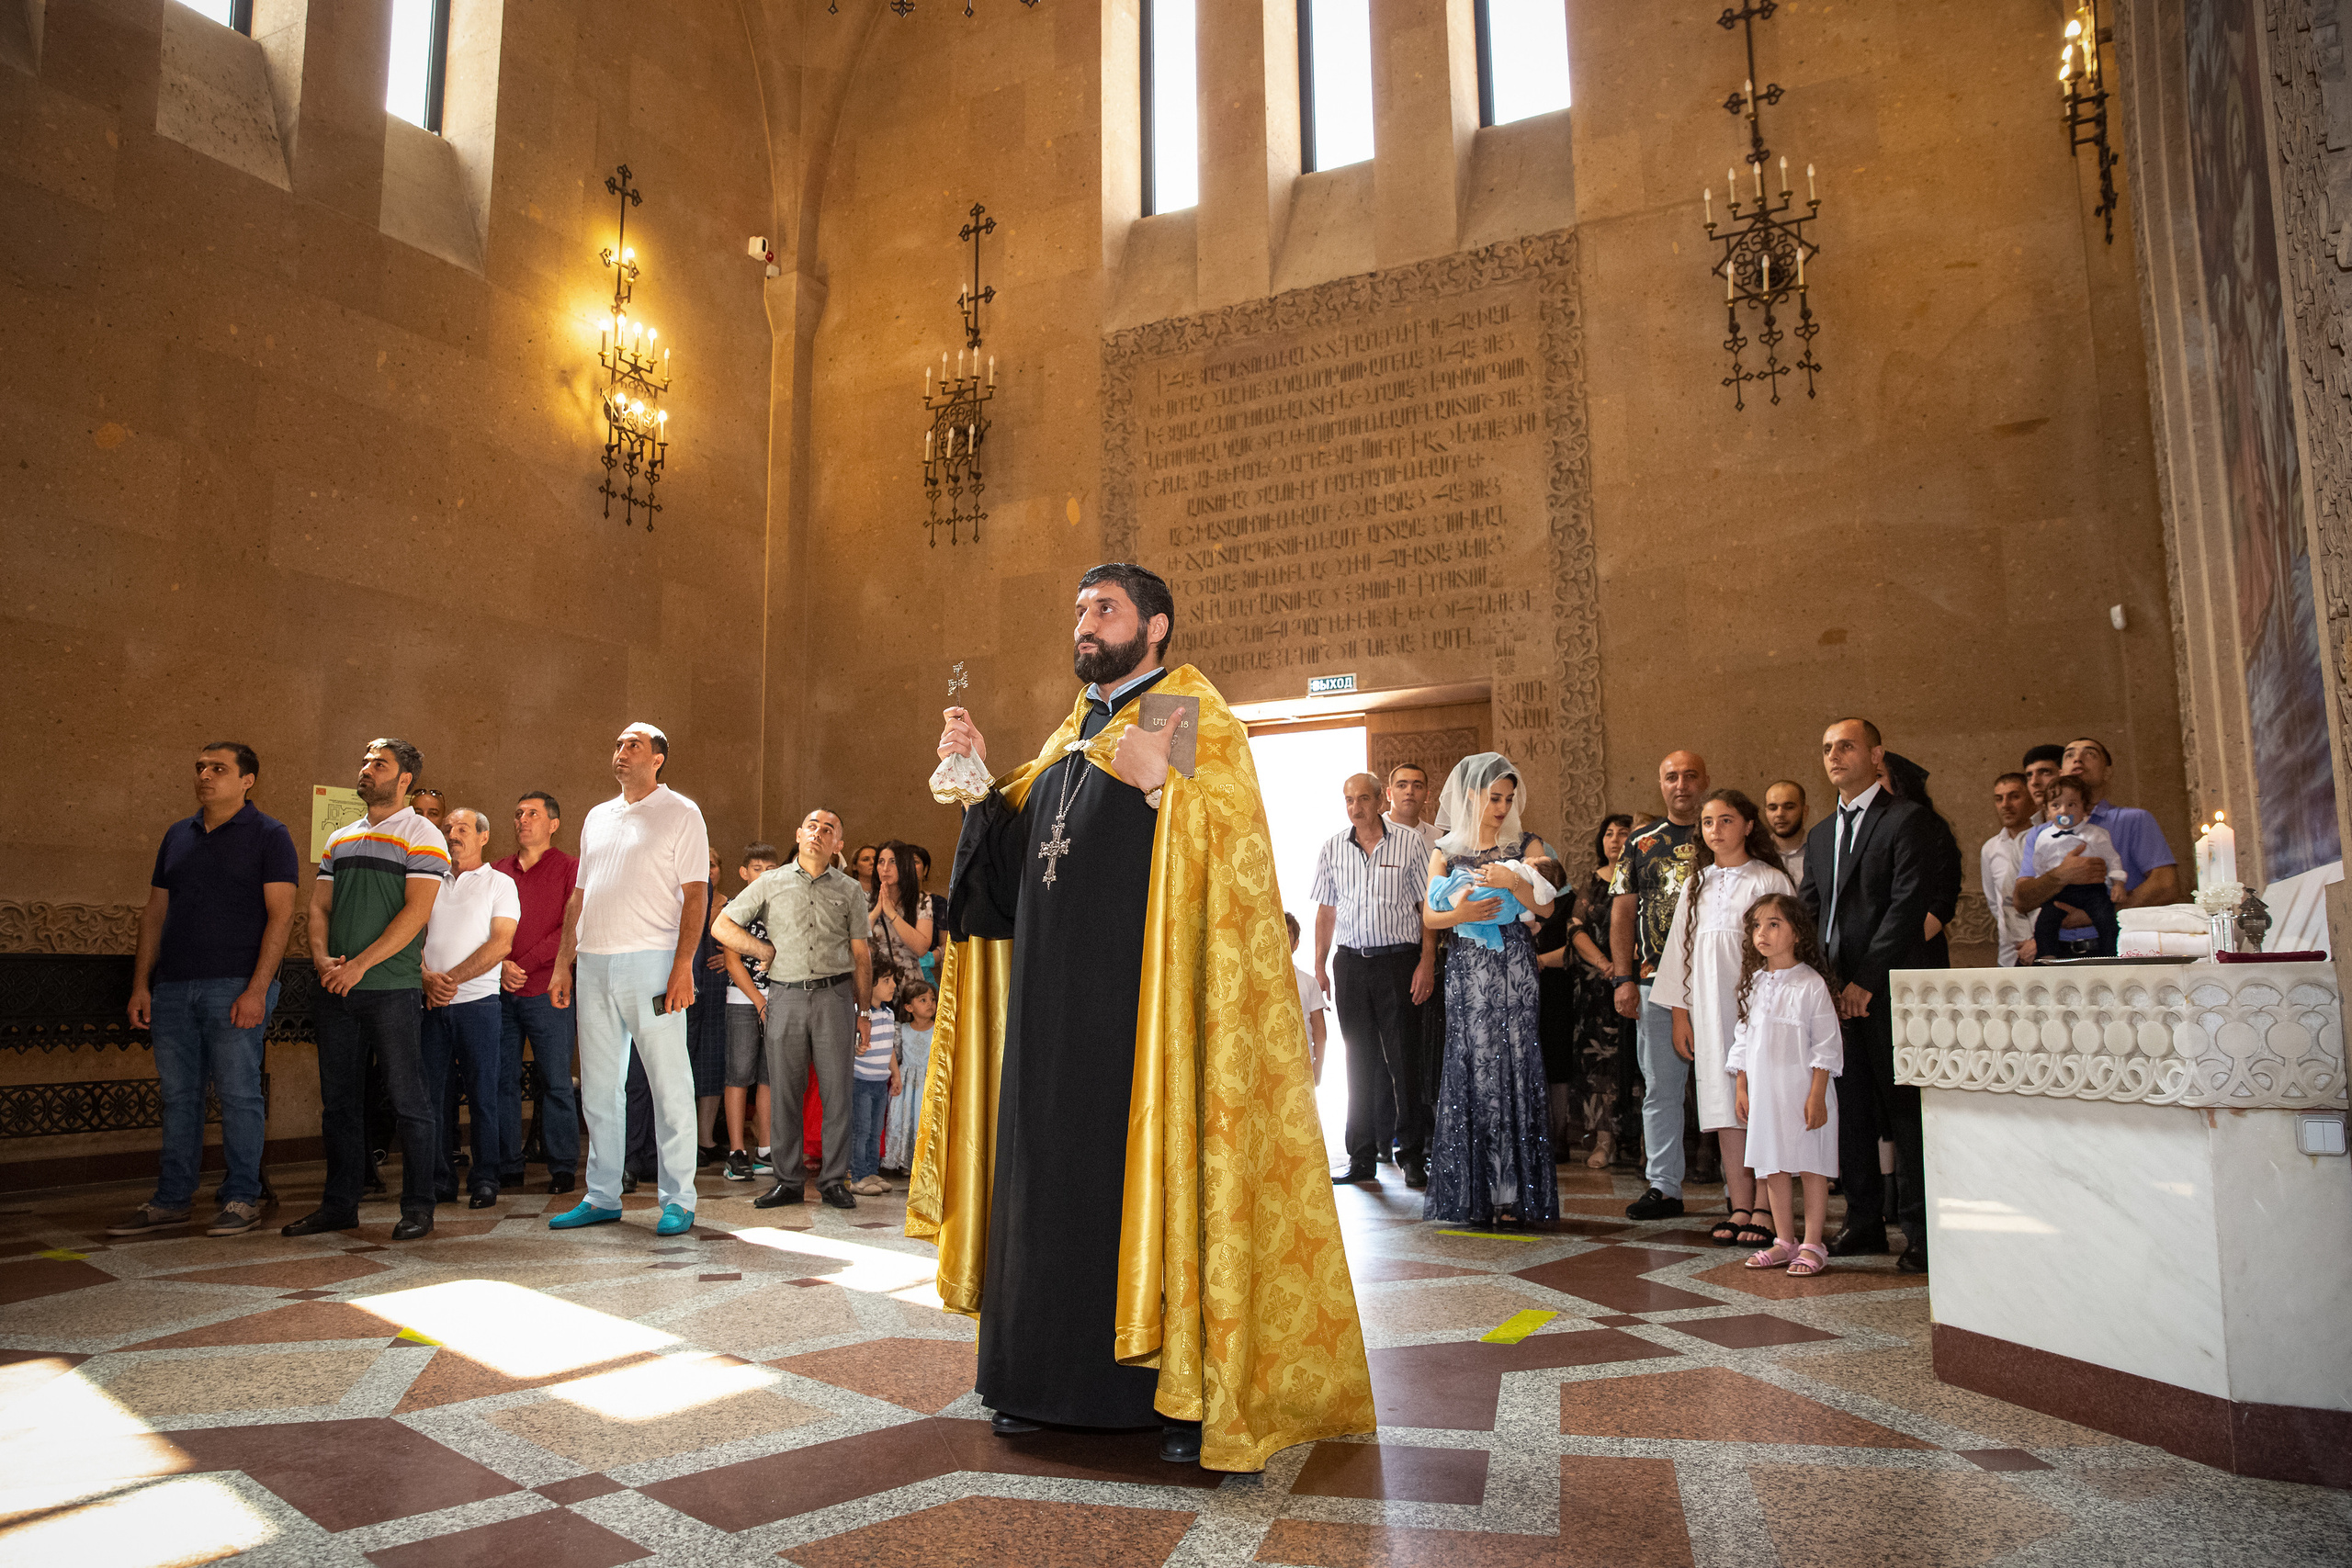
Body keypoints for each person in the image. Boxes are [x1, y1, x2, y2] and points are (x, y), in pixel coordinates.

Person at [922, 561, 1371, 1472]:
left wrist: (1167, 790)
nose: (1085, 623)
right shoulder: (1068, 737)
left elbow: (1235, 866)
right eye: (1080, 608)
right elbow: (1006, 887)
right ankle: (1030, 1381)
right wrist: (977, 784)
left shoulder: (1184, 713)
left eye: (1106, 609)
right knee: (1048, 1194)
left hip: (1145, 1029)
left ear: (1155, 627)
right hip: (1049, 1024)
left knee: (1146, 1182)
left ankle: (1178, 1392)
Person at [113, 742, 299, 1239]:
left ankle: (242, 1197)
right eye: (200, 767)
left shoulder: (269, 835)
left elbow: (281, 917)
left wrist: (257, 989)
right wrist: (141, 985)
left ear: (247, 781)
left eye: (219, 768)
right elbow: (154, 914)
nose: (205, 776)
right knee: (179, 1098)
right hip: (172, 987)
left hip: (235, 984)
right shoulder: (178, 835)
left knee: (239, 1096)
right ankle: (172, 1199)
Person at [548, 722, 711, 1239]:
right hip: (593, 962)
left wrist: (683, 964)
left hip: (654, 962)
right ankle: (601, 1195)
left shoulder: (681, 812)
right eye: (617, 744)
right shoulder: (597, 816)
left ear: (658, 758)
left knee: (669, 1084)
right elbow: (579, 896)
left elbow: (696, 894)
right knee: (598, 1086)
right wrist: (561, 964)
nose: (620, 753)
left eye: (633, 745)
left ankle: (679, 1199)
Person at [284, 739, 447, 1241]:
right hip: (337, 987)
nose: (366, 769)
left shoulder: (422, 836)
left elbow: (415, 914)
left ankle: (418, 1207)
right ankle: (340, 1205)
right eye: (365, 761)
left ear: (404, 780)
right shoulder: (340, 838)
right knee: (338, 1104)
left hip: (390, 988)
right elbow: (319, 908)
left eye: (379, 764)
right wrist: (320, 957)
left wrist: (360, 966)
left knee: (408, 1101)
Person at [1796, 717, 1932, 1274]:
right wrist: (1821, 984)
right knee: (1847, 1110)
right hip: (1835, 995)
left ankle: (1921, 1231)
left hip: (1890, 988)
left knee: (1905, 1111)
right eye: (1826, 747)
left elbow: (1905, 909)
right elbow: (1809, 912)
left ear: (1876, 755)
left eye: (1845, 746)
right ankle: (1864, 1221)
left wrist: (1866, 981)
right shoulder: (1822, 833)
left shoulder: (1907, 821)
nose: (1834, 755)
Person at [1649, 790, 1792, 1251]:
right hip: (1710, 1014)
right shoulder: (1698, 884)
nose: (1716, 830)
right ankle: (1740, 1203)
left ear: (1749, 825)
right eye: (1708, 822)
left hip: (1760, 1010)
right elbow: (1679, 956)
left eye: (1726, 820)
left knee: (1764, 1103)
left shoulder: (1769, 879)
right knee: (1724, 1106)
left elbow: (1789, 947)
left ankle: (1769, 1207)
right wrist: (1679, 1015)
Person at [1420, 753, 1557, 1225]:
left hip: (1515, 964)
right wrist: (1459, 915)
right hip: (1467, 967)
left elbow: (1547, 911)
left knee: (1517, 1060)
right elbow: (1429, 918)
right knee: (1475, 1064)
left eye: (1509, 798)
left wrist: (1513, 882)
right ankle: (1477, 1192)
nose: (1502, 807)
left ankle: (1520, 1191)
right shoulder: (1445, 850)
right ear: (1471, 795)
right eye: (1494, 797)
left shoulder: (1527, 844)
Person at [713, 807, 873, 1211]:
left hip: (836, 996)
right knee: (783, 1088)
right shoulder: (771, 881)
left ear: (839, 844)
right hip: (784, 996)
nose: (819, 833)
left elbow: (861, 954)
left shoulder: (850, 889)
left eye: (829, 829)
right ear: (799, 834)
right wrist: (761, 948)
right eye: (812, 826)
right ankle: (788, 1181)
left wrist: (865, 1012)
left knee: (838, 1091)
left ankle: (834, 1181)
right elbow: (722, 925)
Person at [1312, 773, 1436, 1188]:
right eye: (1348, 800)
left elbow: (1427, 907)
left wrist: (1427, 961)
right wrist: (1320, 965)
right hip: (1350, 965)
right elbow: (1326, 911)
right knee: (1357, 1060)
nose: (1355, 808)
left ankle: (1413, 1154)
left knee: (1404, 1061)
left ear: (1381, 799)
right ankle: (1361, 1156)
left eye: (1363, 799)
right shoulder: (1332, 847)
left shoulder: (1409, 843)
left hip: (1399, 961)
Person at [1612, 750, 1708, 1220]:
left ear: (1704, 781)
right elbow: (1623, 913)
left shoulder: (1721, 835)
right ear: (1661, 784)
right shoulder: (1640, 843)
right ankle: (1665, 1186)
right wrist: (1623, 978)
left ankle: (1747, 1194)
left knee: (1731, 1087)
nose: (1682, 784)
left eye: (1691, 776)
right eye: (1672, 776)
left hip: (1720, 986)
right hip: (1654, 982)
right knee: (1661, 1089)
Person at [1727, 894, 1843, 1278]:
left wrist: (1816, 1094)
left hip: (1803, 1092)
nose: (1763, 933)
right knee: (1772, 1165)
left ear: (1796, 933)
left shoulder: (1811, 984)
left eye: (1774, 924)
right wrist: (1742, 1087)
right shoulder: (1754, 983)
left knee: (1811, 1166)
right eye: (1757, 926)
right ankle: (1784, 1240)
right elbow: (1742, 1039)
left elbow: (1826, 1044)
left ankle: (1812, 1243)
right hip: (1766, 1093)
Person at [421, 808, 519, 1210]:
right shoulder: (426, 880)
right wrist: (427, 977)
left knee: (483, 1094)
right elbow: (410, 935)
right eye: (447, 828)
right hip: (429, 1002)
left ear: (483, 836)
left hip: (478, 1003)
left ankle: (485, 1179)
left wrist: (451, 979)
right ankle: (440, 1179)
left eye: (462, 828)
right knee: (435, 1097)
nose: (452, 833)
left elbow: (501, 944)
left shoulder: (500, 883)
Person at [494, 791, 581, 1194]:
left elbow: (571, 929)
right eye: (518, 813)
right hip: (498, 991)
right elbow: (482, 925)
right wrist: (499, 966)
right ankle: (507, 1163)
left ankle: (562, 1166)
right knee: (502, 1080)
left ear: (553, 824)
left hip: (548, 991)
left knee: (557, 1082)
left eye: (532, 813)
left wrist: (523, 964)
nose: (522, 820)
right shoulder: (497, 870)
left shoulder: (570, 868)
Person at [2015, 737, 2181, 927]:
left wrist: (2099, 915)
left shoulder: (2133, 820)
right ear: (2060, 772)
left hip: (2118, 947)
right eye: (2070, 755)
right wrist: (2060, 874)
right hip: (2061, 950)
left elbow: (2166, 885)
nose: (2078, 759)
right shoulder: (2039, 833)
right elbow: (2022, 901)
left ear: (2107, 772)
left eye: (2090, 754)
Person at [1555, 813, 1635, 1169]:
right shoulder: (1593, 882)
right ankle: (1604, 1141)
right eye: (1609, 834)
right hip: (1597, 988)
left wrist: (1628, 967)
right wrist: (1607, 964)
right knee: (1599, 1064)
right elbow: (1575, 929)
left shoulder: (1644, 878)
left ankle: (1645, 1143)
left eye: (1624, 833)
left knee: (1637, 1063)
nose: (1615, 839)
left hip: (1639, 981)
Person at [717, 841, 783, 1184]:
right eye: (757, 869)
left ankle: (766, 1149)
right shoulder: (733, 908)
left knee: (769, 1076)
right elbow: (731, 961)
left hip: (778, 999)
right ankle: (737, 1151)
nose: (764, 875)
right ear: (744, 873)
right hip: (742, 1000)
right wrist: (758, 1000)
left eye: (771, 870)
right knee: (739, 1073)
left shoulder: (782, 907)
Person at [2029, 777, 2126, 956]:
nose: (2064, 810)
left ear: (2085, 808)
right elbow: (2039, 866)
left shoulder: (2097, 834)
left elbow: (2113, 859)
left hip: (2091, 890)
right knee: (2044, 923)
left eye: (2072, 804)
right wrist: (2045, 887)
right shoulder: (2043, 837)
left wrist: (2118, 883)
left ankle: (2111, 955)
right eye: (2056, 805)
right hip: (2060, 890)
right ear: (2047, 811)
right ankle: (2047, 957)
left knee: (2106, 919)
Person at [1882, 752, 1962, 968]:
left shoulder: (1931, 829)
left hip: (1917, 955)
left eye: (1878, 776)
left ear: (1900, 783)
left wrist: (1888, 952)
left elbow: (1942, 902)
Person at [849, 971, 902, 1195]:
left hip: (881, 1082)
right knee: (860, 1131)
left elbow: (889, 1047)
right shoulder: (859, 1015)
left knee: (874, 1130)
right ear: (868, 985)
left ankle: (871, 1172)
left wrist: (895, 1075)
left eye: (893, 980)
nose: (893, 985)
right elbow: (851, 1043)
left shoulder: (889, 1013)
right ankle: (857, 1176)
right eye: (886, 981)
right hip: (861, 1080)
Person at [1981, 773, 2040, 966]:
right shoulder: (1990, 848)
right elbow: (1994, 902)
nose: (2006, 804)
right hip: (2008, 957)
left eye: (2014, 796)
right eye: (1999, 798)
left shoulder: (2046, 839)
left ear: (2031, 798)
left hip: (2046, 949)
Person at [883, 979, 937, 1174]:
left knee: (924, 1120)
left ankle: (926, 1161)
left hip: (929, 1083)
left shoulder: (939, 1030)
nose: (930, 1003)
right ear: (909, 1007)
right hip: (907, 1085)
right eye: (923, 1000)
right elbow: (894, 1057)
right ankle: (906, 1160)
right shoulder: (902, 1030)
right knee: (906, 1118)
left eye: (932, 999)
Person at [869, 841, 935, 991]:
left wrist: (892, 914)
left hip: (910, 986)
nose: (886, 868)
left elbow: (921, 948)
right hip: (876, 988)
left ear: (905, 866)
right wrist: (875, 913)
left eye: (893, 862)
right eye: (881, 862)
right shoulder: (864, 899)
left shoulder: (921, 900)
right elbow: (856, 942)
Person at [1286, 911, 1330, 1082]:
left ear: (1296, 943)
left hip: (1301, 1066)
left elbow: (1319, 1030)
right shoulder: (1256, 980)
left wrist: (1317, 1067)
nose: (1281, 936)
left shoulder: (1308, 982)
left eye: (1288, 933)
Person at [1764, 780, 1809, 887]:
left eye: (1789, 807)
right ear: (1765, 812)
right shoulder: (1757, 854)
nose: (1780, 814)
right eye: (1773, 808)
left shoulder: (1820, 853)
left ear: (1805, 811)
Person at [2021, 743, 2066, 818]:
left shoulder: (2087, 825)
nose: (2034, 782)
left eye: (2045, 772)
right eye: (2029, 775)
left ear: (2064, 774)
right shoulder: (2034, 828)